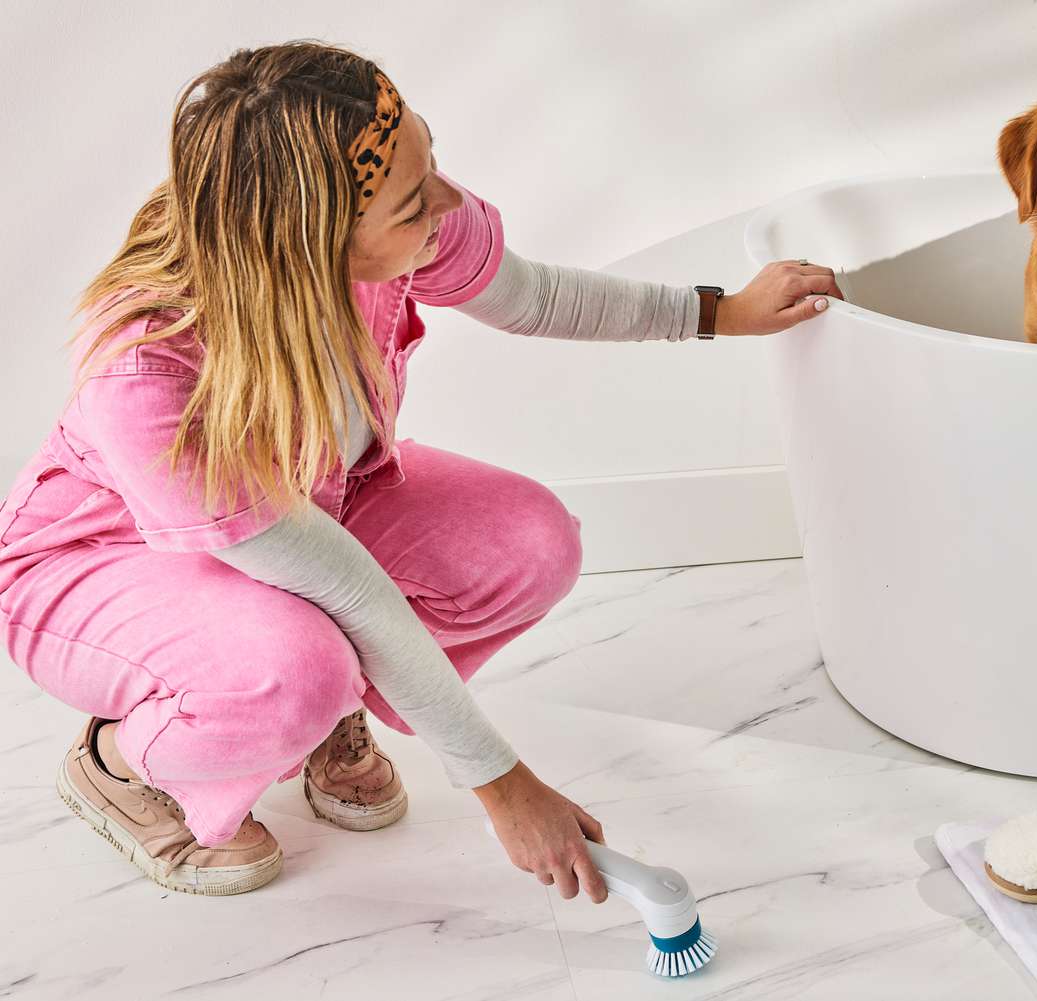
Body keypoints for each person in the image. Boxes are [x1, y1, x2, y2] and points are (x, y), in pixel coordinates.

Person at [0, 40, 843, 900]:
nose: (446, 199)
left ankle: (320, 718)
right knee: (297, 672)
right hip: (100, 559)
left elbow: (531, 297)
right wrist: (502, 785)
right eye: (414, 203)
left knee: (530, 542)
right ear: (308, 238)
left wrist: (720, 313)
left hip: (312, 497)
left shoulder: (393, 203)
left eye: (430, 157)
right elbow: (352, 588)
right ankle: (121, 762)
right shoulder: (146, 373)